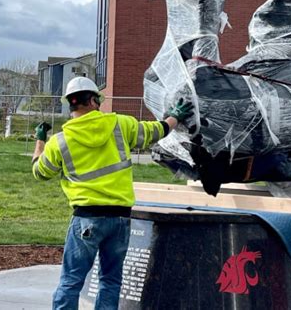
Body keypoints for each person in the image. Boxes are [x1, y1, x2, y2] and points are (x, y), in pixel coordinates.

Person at [32, 76, 193, 309]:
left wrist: (40, 140)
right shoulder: (121, 125)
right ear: (95, 101)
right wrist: (175, 116)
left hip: (86, 220)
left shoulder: (60, 141)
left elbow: (40, 172)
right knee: (110, 280)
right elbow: (156, 131)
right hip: (120, 219)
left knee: (71, 281)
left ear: (71, 104)